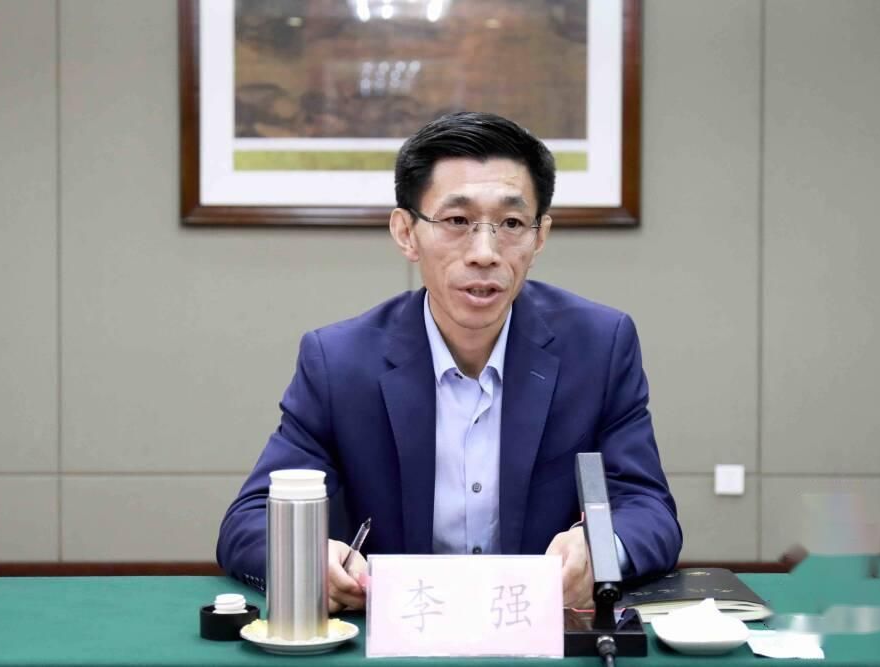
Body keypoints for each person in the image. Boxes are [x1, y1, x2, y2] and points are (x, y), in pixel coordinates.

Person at [217, 111, 682, 611]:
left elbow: (647, 508)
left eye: (511, 224)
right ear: (406, 232)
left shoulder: (598, 346)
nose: (485, 253)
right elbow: (249, 522)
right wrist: (308, 558)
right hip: (398, 630)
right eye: (457, 221)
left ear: (539, 236)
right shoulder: (340, 362)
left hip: (540, 628)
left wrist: (602, 551)